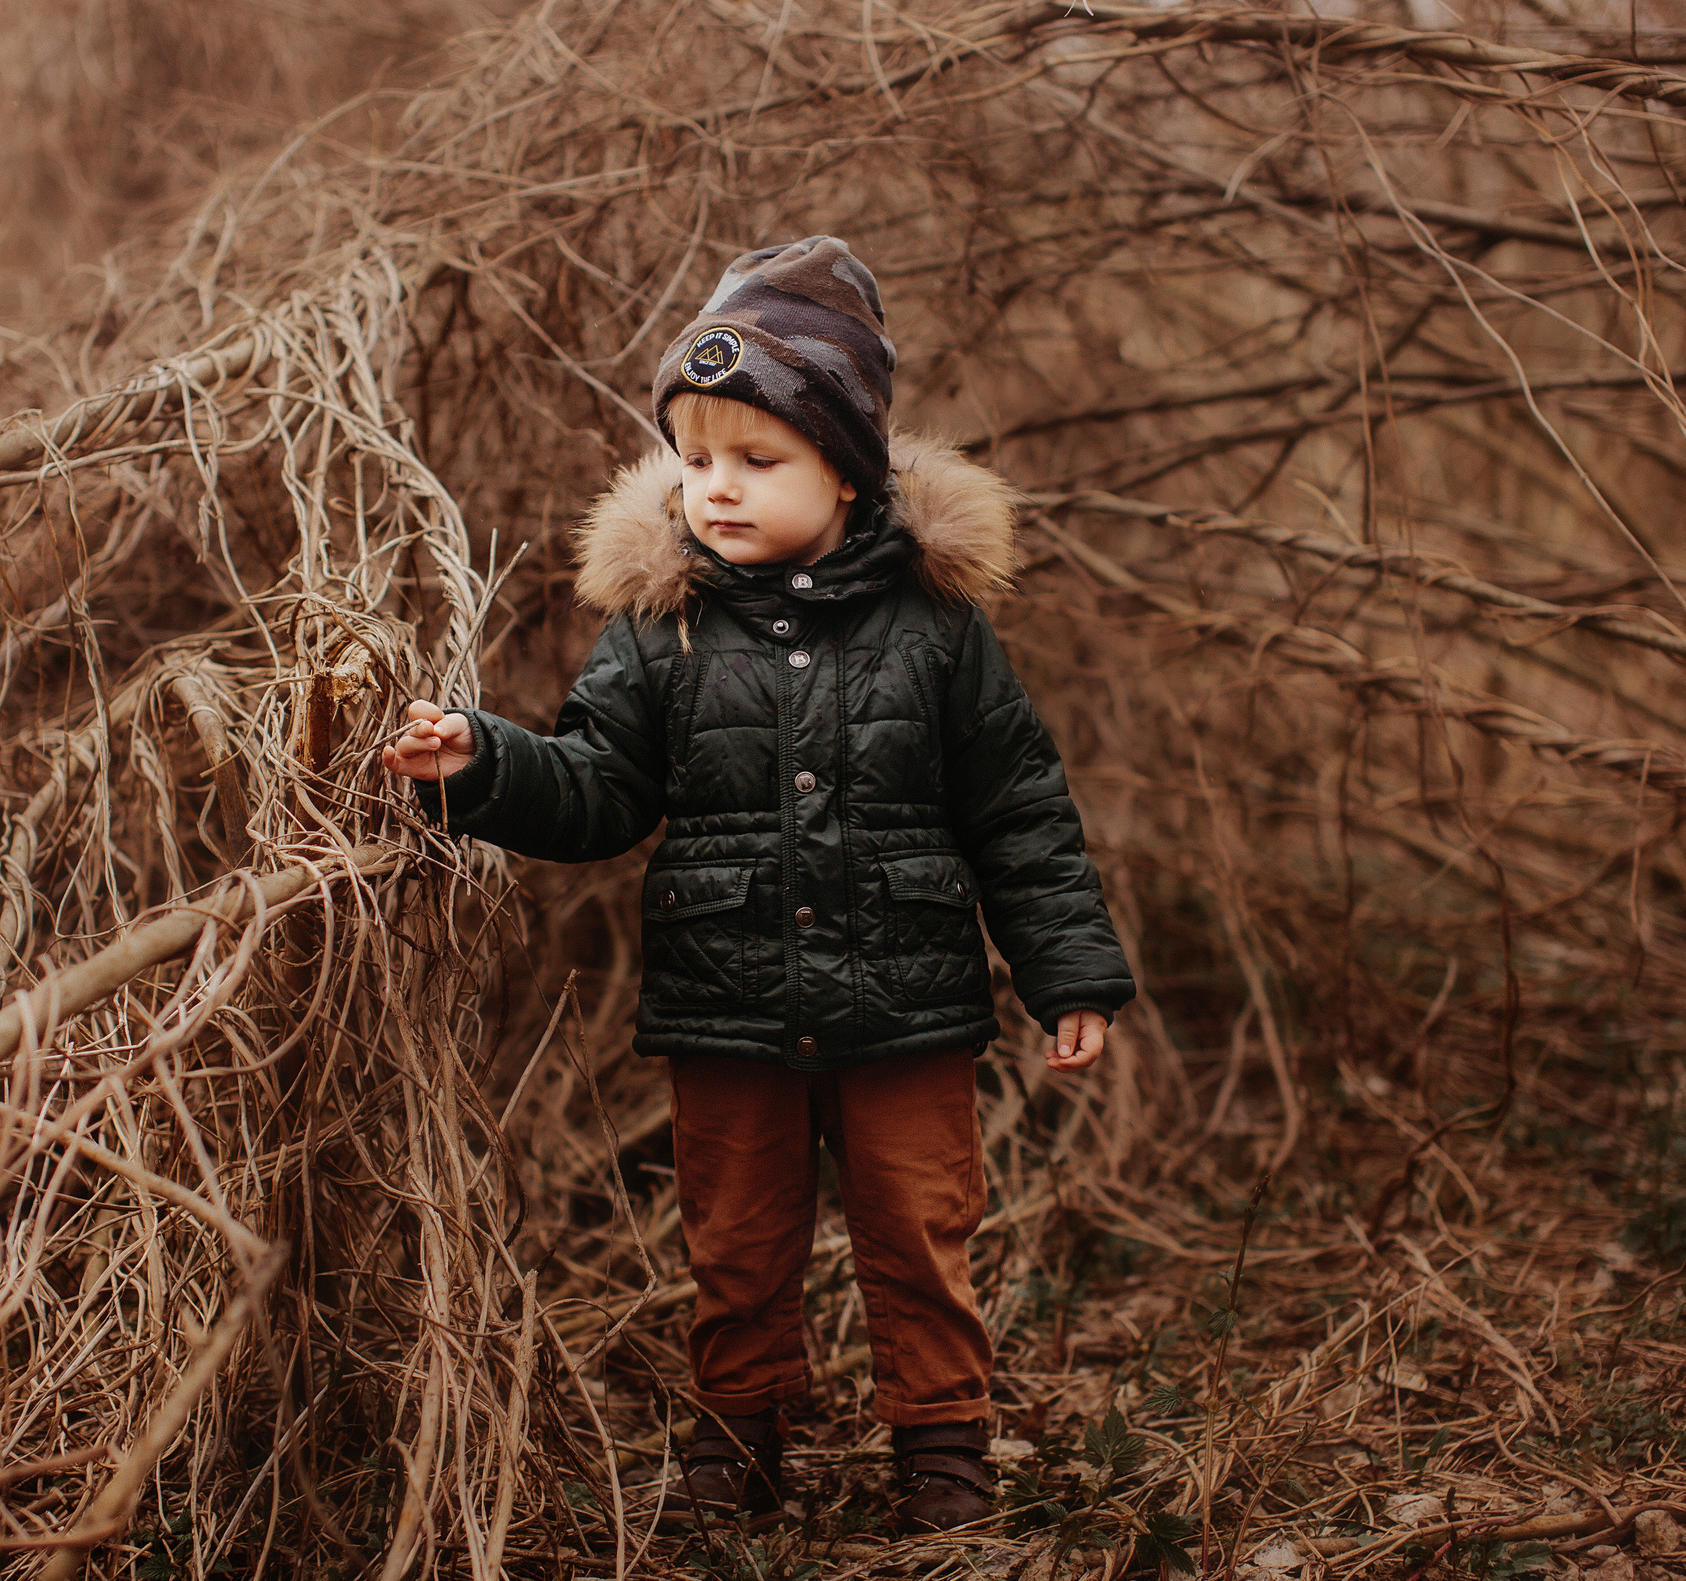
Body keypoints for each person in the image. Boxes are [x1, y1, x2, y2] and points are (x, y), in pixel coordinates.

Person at [381, 236, 1135, 1532]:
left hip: (910, 1005)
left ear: (847, 473)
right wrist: (478, 764)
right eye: (696, 458)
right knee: (735, 1249)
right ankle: (739, 1445)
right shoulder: (661, 629)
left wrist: (1069, 969)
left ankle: (942, 1451)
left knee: (921, 1239)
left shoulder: (937, 632)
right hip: (727, 1004)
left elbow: (1018, 811)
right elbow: (598, 790)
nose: (714, 489)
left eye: (757, 460)